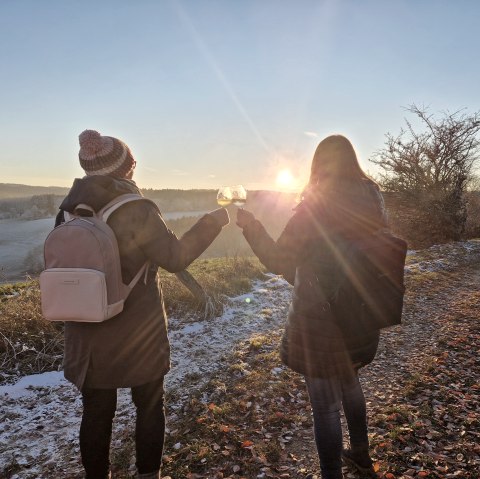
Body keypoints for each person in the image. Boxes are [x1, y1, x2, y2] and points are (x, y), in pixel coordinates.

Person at [57, 129, 229, 479]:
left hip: (86, 328)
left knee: (96, 412)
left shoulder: (69, 211)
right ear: (127, 168)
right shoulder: (135, 209)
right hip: (138, 330)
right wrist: (213, 221)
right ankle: (149, 474)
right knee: (150, 406)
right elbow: (176, 257)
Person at [236, 135, 386, 479]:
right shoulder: (373, 199)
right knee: (350, 383)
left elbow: (277, 259)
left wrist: (252, 226)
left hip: (319, 321)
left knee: (325, 406)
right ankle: (361, 456)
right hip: (362, 311)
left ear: (318, 166)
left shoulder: (314, 207)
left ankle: (332, 473)